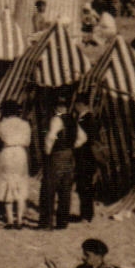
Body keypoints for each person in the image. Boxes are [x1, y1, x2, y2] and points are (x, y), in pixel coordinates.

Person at [39, 94, 87, 230]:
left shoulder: (56, 119)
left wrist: (48, 153)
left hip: (57, 155)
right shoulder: (73, 120)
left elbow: (50, 138)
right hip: (69, 155)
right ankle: (62, 223)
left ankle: (46, 223)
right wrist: (72, 146)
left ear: (55, 108)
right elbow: (83, 138)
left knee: (49, 188)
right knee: (65, 189)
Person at [0, 99, 34, 229]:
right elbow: (28, 142)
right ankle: (20, 219)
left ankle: (10, 220)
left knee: (7, 184)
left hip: (7, 153)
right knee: (20, 184)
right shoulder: (25, 124)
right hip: (20, 153)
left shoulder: (2, 124)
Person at [73, 97, 101, 223]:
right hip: (84, 157)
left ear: (81, 104)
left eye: (76, 104)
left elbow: (87, 139)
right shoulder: (84, 117)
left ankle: (86, 215)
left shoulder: (88, 119)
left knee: (85, 186)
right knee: (83, 186)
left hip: (86, 157)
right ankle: (84, 213)